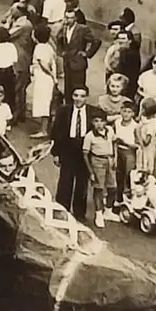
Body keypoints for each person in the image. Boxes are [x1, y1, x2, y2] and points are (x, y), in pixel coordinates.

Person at [51, 87, 94, 220]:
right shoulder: (63, 111)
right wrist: (56, 153)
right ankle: (61, 210)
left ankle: (79, 213)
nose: (78, 99)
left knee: (82, 183)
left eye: (82, 96)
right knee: (65, 180)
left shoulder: (93, 112)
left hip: (84, 150)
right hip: (68, 148)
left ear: (86, 97)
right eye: (76, 95)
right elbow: (56, 132)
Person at [82, 111, 118, 228]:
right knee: (99, 188)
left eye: (101, 121)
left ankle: (108, 210)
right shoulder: (90, 136)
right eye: (96, 121)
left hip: (109, 160)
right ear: (92, 122)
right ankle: (98, 214)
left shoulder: (110, 130)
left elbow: (114, 143)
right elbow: (85, 155)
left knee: (113, 188)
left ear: (105, 121)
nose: (99, 124)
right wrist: (90, 172)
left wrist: (115, 158)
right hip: (97, 161)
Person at [28, 24, 57, 139]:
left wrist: (51, 75)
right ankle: (45, 127)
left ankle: (43, 129)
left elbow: (43, 64)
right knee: (46, 102)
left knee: (43, 103)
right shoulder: (48, 47)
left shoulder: (39, 48)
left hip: (43, 77)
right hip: (45, 77)